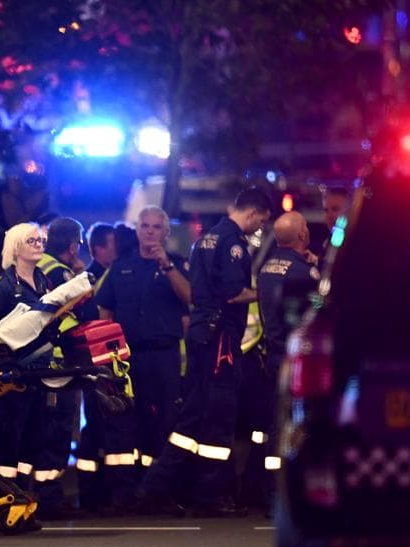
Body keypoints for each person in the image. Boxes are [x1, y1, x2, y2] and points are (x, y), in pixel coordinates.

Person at [140, 187, 272, 517]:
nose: (260, 228)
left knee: (192, 415)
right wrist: (266, 292)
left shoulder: (206, 239)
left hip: (202, 333)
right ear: (253, 213)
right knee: (219, 417)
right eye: (261, 221)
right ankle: (209, 495)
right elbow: (233, 293)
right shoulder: (233, 243)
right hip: (221, 338)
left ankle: (155, 487)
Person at [93, 207, 192, 509]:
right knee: (126, 422)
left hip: (164, 356)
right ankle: (125, 493)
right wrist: (109, 353)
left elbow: (191, 299)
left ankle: (159, 490)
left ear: (166, 232)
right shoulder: (121, 266)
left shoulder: (176, 265)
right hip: (129, 357)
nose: (150, 231)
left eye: (156, 227)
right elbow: (105, 308)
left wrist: (168, 267)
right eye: (145, 226)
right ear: (136, 231)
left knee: (165, 422)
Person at [248, 211, 320, 510]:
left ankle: (264, 491)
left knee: (271, 427)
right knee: (293, 428)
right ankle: (281, 495)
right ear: (302, 235)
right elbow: (316, 311)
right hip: (293, 358)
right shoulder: (303, 273)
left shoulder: (266, 268)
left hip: (272, 356)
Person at [0, 223, 51, 528]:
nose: (38, 245)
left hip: (39, 372)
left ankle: (24, 501)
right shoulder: (0, 287)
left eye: (40, 240)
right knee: (8, 439)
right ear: (15, 247)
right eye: (31, 240)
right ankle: (3, 504)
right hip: (12, 374)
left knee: (33, 440)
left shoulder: (44, 280)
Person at [34, 217, 87, 519]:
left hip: (37, 359)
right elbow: (83, 310)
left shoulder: (37, 266)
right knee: (57, 431)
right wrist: (80, 275)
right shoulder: (61, 272)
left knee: (40, 428)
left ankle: (36, 493)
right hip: (59, 361)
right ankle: (50, 498)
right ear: (73, 246)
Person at [76, 222, 116, 510]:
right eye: (113, 245)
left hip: (102, 361)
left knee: (101, 427)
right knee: (94, 427)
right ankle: (91, 494)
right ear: (99, 248)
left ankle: (97, 492)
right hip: (95, 361)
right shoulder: (91, 279)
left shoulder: (99, 275)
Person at [318, 186, 349, 258]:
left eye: (335, 209)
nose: (329, 215)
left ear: (349, 212)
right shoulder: (328, 242)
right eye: (326, 210)